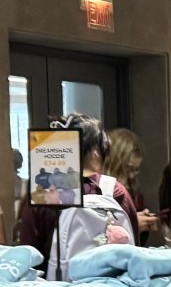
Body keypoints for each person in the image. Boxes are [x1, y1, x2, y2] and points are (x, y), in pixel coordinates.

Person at [14, 114, 140, 277]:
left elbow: (29, 257)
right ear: (96, 153)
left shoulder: (44, 194)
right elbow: (135, 251)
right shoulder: (115, 191)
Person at [104, 129, 160, 243]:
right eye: (129, 169)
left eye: (136, 170)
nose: (131, 176)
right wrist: (132, 225)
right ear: (114, 163)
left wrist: (134, 220)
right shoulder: (97, 191)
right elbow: (96, 237)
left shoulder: (122, 191)